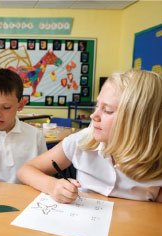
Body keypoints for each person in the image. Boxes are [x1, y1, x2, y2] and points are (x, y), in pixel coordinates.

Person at [17, 69, 162, 203]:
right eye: (97, 105)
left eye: (108, 110)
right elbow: (26, 170)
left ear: (139, 121)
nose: (93, 115)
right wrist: (52, 185)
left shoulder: (156, 159)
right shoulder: (84, 139)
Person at [0, 69, 47, 184]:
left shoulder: (35, 135)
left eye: (6, 107)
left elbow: (45, 172)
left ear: (20, 105)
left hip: (26, 197)